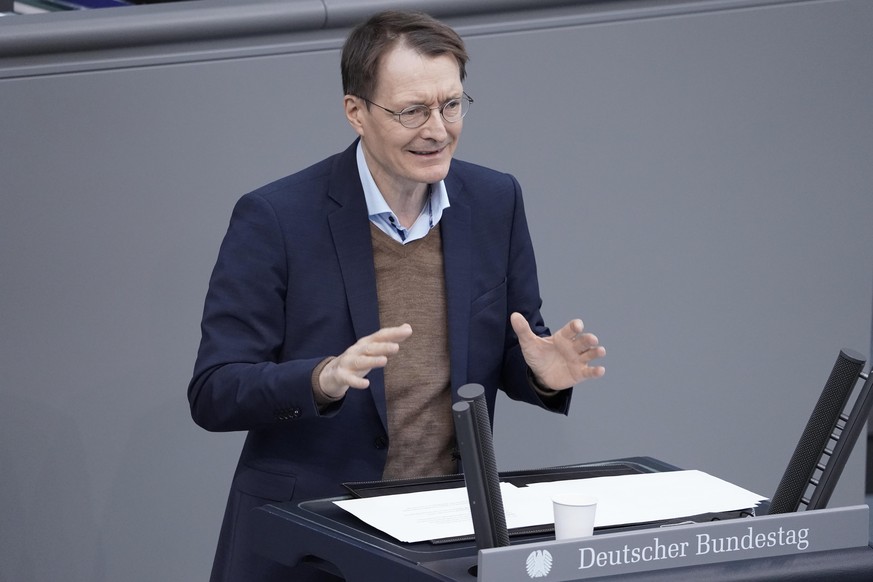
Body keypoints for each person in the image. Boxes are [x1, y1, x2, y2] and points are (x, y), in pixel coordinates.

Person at [188, 9, 606, 582]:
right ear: (356, 112)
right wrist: (321, 379)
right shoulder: (277, 218)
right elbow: (215, 390)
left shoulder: (494, 201)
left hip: (443, 537)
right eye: (412, 110)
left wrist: (541, 374)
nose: (437, 129)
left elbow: (510, 346)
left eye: (451, 105)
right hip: (310, 540)